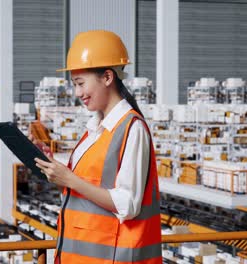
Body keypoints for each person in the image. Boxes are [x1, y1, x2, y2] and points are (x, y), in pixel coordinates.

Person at [31, 30, 162, 264]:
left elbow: (128, 204)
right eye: (74, 84)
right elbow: (88, 183)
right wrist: (54, 166)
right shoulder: (95, 128)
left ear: (108, 78)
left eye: (80, 83)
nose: (78, 93)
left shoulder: (132, 128)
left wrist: (69, 179)